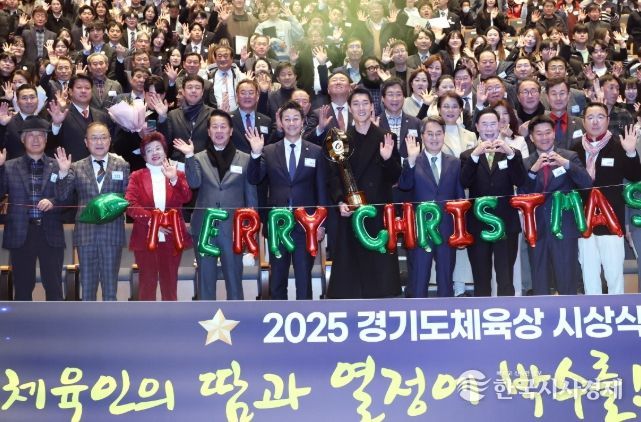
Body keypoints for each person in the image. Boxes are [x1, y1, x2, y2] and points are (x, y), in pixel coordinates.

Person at [246, 101, 328, 300]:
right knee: (277, 279)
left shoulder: (316, 151)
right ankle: (278, 315)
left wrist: (321, 224)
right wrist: (255, 154)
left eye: (295, 119)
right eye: (287, 119)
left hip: (306, 226)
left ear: (303, 122)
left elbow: (322, 190)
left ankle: (305, 316)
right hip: (278, 225)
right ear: (280, 123)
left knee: (304, 279)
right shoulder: (268, 151)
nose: (291, 123)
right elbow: (254, 178)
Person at [174, 110, 257, 300]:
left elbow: (251, 196)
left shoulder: (245, 159)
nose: (219, 131)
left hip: (233, 229)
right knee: (205, 279)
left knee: (234, 279)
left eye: (223, 127)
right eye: (215, 127)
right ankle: (205, 317)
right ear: (209, 132)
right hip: (205, 228)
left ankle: (236, 315)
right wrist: (189, 156)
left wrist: (249, 229)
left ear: (230, 131)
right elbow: (194, 183)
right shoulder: (198, 157)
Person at [326, 88, 402, 299]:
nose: (361, 108)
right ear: (350, 109)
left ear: (372, 107)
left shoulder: (387, 137)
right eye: (356, 104)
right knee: (350, 273)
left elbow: (395, 177)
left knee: (379, 272)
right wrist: (339, 201)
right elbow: (333, 177)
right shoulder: (340, 140)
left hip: (377, 211)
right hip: (351, 212)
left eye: (365, 103)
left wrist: (387, 159)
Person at [55, 122, 130, 301]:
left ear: (110, 140)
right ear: (86, 142)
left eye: (103, 137)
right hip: (86, 234)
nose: (99, 142)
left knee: (110, 290)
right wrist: (63, 173)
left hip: (112, 233)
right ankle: (88, 320)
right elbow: (63, 197)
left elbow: (129, 197)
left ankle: (110, 320)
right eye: (94, 138)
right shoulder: (76, 167)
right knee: (87, 290)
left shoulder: (122, 165)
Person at [572, 103, 641, 295]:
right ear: (583, 122)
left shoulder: (619, 146)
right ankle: (591, 311)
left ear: (608, 120)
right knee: (589, 276)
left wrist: (631, 152)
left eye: (600, 117)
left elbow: (635, 176)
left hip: (612, 223)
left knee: (614, 276)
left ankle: (616, 311)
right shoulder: (575, 150)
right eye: (590, 117)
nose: (595, 122)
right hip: (584, 223)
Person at [519, 115, 591, 295]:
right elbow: (521, 194)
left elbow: (586, 183)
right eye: (539, 134)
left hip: (564, 227)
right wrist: (533, 171)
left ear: (554, 134)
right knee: (539, 279)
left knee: (567, 278)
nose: (544, 137)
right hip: (537, 228)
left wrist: (566, 164)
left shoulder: (569, 156)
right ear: (531, 138)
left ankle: (569, 309)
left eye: (548, 132)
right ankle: (542, 310)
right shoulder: (526, 163)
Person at [460, 108, 527, 296]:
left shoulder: (512, 153)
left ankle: (508, 311)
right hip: (478, 224)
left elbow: (520, 181)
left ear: (500, 126)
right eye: (484, 124)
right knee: (481, 277)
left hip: (506, 224)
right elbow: (464, 182)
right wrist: (475, 156)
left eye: (493, 124)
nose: (489, 129)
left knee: (505, 277)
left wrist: (511, 154)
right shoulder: (467, 155)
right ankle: (482, 311)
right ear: (477, 127)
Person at [0, 117, 66, 300]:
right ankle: (23, 320)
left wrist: (53, 201)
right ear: (22, 139)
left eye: (40, 135)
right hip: (21, 233)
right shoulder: (9, 166)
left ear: (46, 139)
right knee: (22, 288)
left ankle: (55, 320)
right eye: (30, 135)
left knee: (54, 287)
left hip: (50, 233)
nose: (36, 139)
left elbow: (67, 197)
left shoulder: (58, 165)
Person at [398, 116, 464, 297]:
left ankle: (446, 310)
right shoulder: (413, 161)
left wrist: (460, 231)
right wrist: (411, 162)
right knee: (419, 278)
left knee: (445, 277)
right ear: (422, 136)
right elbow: (404, 186)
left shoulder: (455, 163)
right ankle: (417, 311)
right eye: (430, 134)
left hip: (447, 229)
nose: (434, 138)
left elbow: (459, 197)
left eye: (438, 133)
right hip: (420, 230)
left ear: (444, 135)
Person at [125, 132, 193, 301]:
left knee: (169, 286)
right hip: (145, 237)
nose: (154, 153)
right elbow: (130, 205)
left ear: (165, 151)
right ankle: (147, 318)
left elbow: (186, 197)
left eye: (158, 148)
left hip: (172, 236)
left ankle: (170, 318)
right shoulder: (137, 176)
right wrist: (154, 222)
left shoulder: (177, 174)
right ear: (144, 156)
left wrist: (174, 179)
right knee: (146, 286)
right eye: (149, 150)